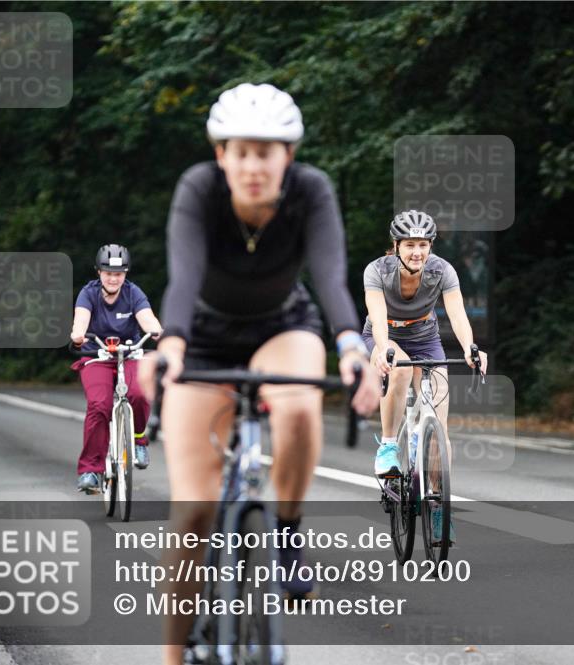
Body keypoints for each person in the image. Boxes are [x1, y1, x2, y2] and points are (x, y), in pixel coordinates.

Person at [136, 82, 380, 664]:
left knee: (298, 406)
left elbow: (329, 274)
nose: (253, 165)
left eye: (266, 152)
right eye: (240, 151)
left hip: (282, 325)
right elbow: (184, 274)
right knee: (192, 511)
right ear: (221, 154)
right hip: (203, 337)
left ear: (287, 157)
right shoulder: (198, 189)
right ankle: (172, 657)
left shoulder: (312, 192)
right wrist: (169, 345)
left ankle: (288, 532)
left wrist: (352, 348)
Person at [362, 210, 488, 546]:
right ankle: (389, 447)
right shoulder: (377, 271)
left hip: (426, 338)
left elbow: (457, 312)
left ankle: (436, 501)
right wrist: (384, 350)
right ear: (396, 246)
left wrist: (470, 347)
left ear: (430, 245)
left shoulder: (442, 270)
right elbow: (376, 316)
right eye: (410, 245)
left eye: (423, 244)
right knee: (400, 369)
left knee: (440, 434)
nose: (417, 252)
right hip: (383, 335)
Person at [70, 244, 163, 492]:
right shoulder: (88, 294)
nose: (113, 278)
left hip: (131, 353)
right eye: (108, 273)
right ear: (99, 272)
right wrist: (78, 334)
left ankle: (138, 439)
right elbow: (81, 319)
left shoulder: (133, 293)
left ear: (126, 274)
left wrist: (155, 329)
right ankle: (91, 470)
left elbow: (147, 317)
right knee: (99, 405)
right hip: (96, 355)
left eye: (119, 273)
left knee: (140, 393)